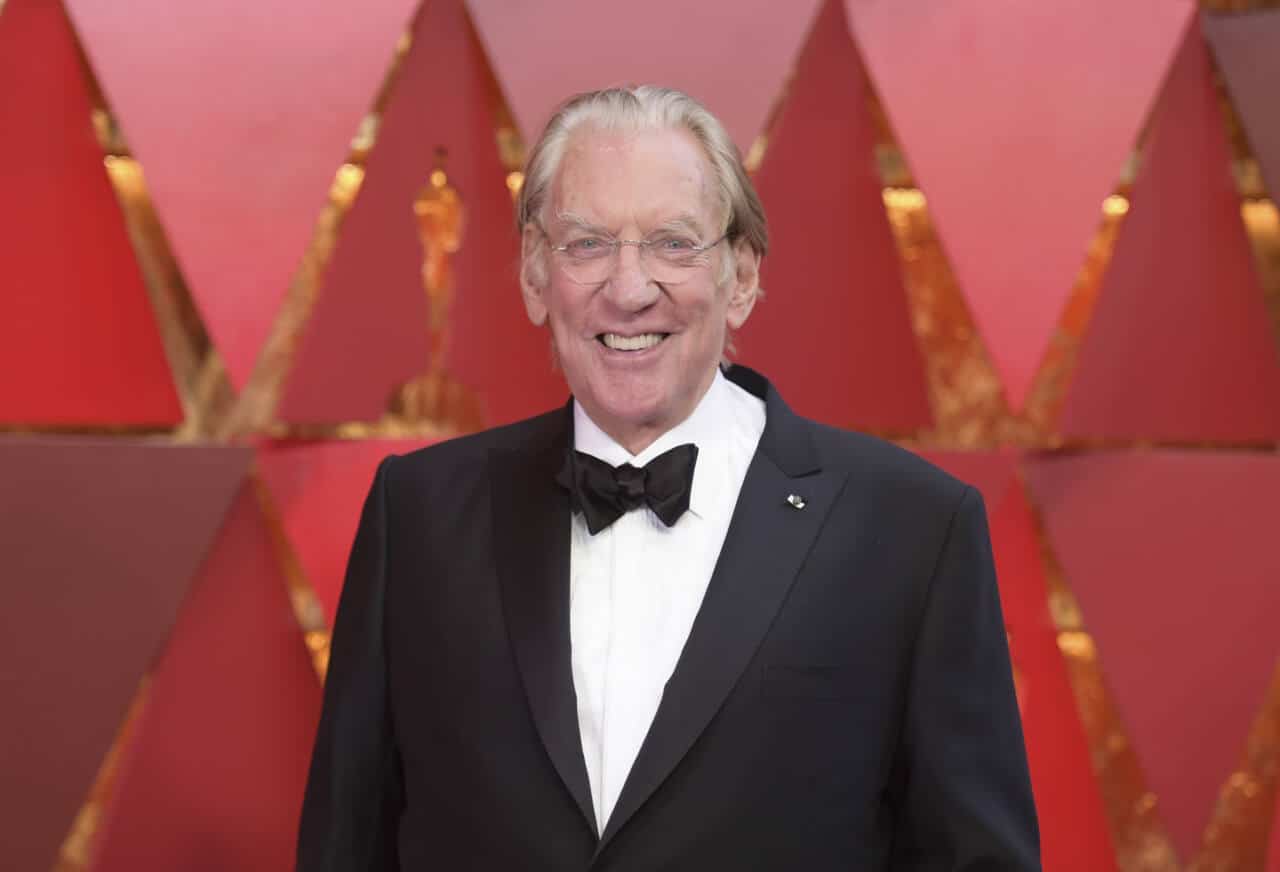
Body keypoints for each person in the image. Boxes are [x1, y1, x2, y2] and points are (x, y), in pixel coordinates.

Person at [296, 85, 1040, 871]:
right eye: (587, 244)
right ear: (535, 275)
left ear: (741, 276)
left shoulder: (912, 529)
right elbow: (347, 845)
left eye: (673, 244)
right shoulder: (417, 514)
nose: (628, 289)